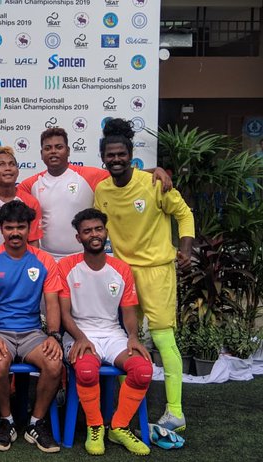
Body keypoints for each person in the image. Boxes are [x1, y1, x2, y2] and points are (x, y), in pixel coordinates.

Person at [94, 118, 194, 432]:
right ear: (103, 158)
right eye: (110, 155)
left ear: (130, 155)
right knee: (125, 341)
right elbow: (99, 227)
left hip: (158, 271)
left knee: (164, 339)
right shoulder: (102, 189)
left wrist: (186, 249)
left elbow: (184, 213)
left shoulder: (153, 183)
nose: (115, 159)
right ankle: (129, 408)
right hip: (123, 274)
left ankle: (175, 411)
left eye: (121, 154)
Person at [0, 127, 171, 261]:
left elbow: (120, 173)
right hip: (48, 258)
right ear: (41, 153)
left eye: (58, 147)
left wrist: (155, 171)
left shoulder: (88, 175)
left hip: (83, 257)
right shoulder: (31, 184)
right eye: (48, 148)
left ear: (68, 151)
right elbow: (5, 190)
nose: (53, 152)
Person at [59, 208, 153, 456]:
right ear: (79, 238)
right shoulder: (66, 266)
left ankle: (119, 426)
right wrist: (80, 337)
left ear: (106, 232)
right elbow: (64, 314)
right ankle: (95, 425)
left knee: (143, 370)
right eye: (87, 231)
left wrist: (133, 337)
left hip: (112, 334)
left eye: (98, 229)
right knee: (87, 369)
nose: (94, 234)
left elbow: (129, 312)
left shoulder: (121, 269)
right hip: (79, 333)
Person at [0, 200, 62, 453]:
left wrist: (54, 336)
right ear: (1, 229)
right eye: (9, 227)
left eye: (21, 227)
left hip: (32, 333)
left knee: (54, 363)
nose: (15, 232)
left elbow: (52, 303)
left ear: (29, 229)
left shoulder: (44, 260)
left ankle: (37, 423)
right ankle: (6, 421)